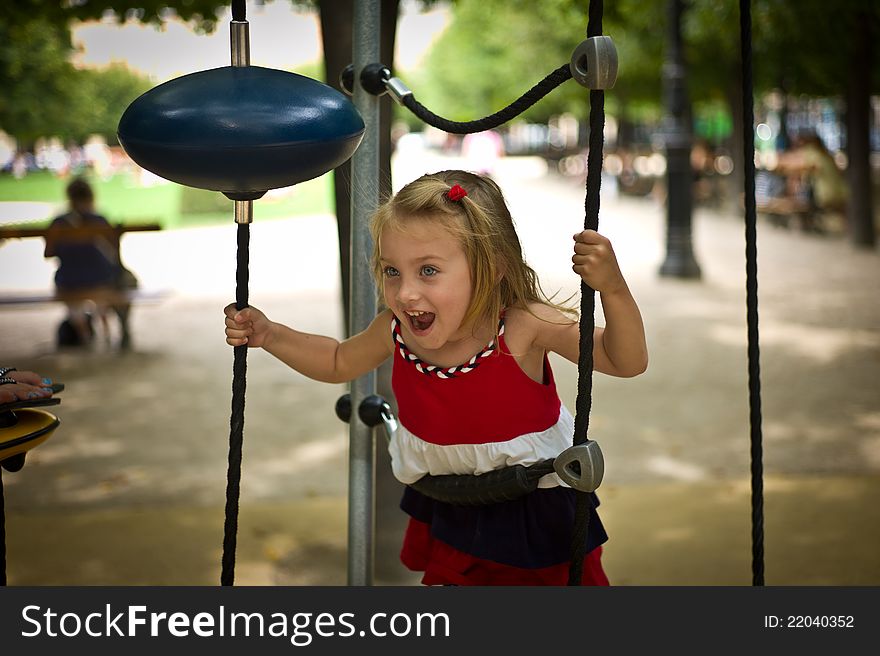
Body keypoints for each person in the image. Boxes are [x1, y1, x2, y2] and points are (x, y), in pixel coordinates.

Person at [224, 170, 648, 586]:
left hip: (533, 515)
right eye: (393, 271)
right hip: (452, 505)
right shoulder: (396, 330)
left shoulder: (524, 326)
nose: (406, 293)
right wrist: (271, 334)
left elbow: (623, 359)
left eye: (428, 270)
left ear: (492, 267)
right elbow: (337, 360)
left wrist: (612, 289)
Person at [44, 177, 133, 349]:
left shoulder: (59, 222)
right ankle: (107, 333)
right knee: (113, 285)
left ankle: (85, 336)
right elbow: (114, 249)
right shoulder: (98, 219)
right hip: (101, 280)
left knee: (74, 300)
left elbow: (48, 253)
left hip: (68, 281)